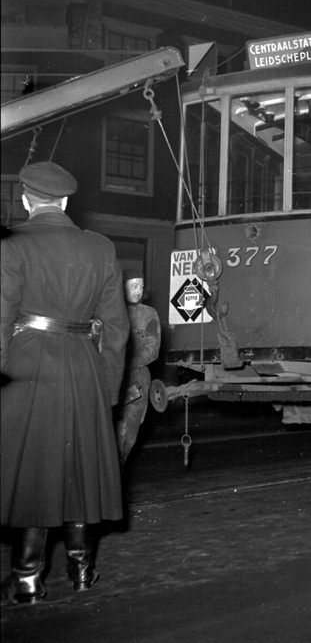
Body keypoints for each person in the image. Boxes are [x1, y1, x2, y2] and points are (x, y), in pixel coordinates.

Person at [1, 161, 130, 605]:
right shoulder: (100, 247)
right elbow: (116, 330)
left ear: (25, 200)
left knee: (32, 469)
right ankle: (81, 570)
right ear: (66, 201)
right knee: (81, 471)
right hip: (84, 368)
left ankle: (27, 577)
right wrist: (108, 391)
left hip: (27, 366)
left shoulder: (12, 245)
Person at [114, 269, 161, 464]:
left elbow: (152, 348)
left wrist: (128, 364)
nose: (138, 291)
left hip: (136, 381)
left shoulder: (148, 314)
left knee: (127, 434)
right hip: (111, 378)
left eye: (141, 286)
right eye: (133, 286)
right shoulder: (110, 311)